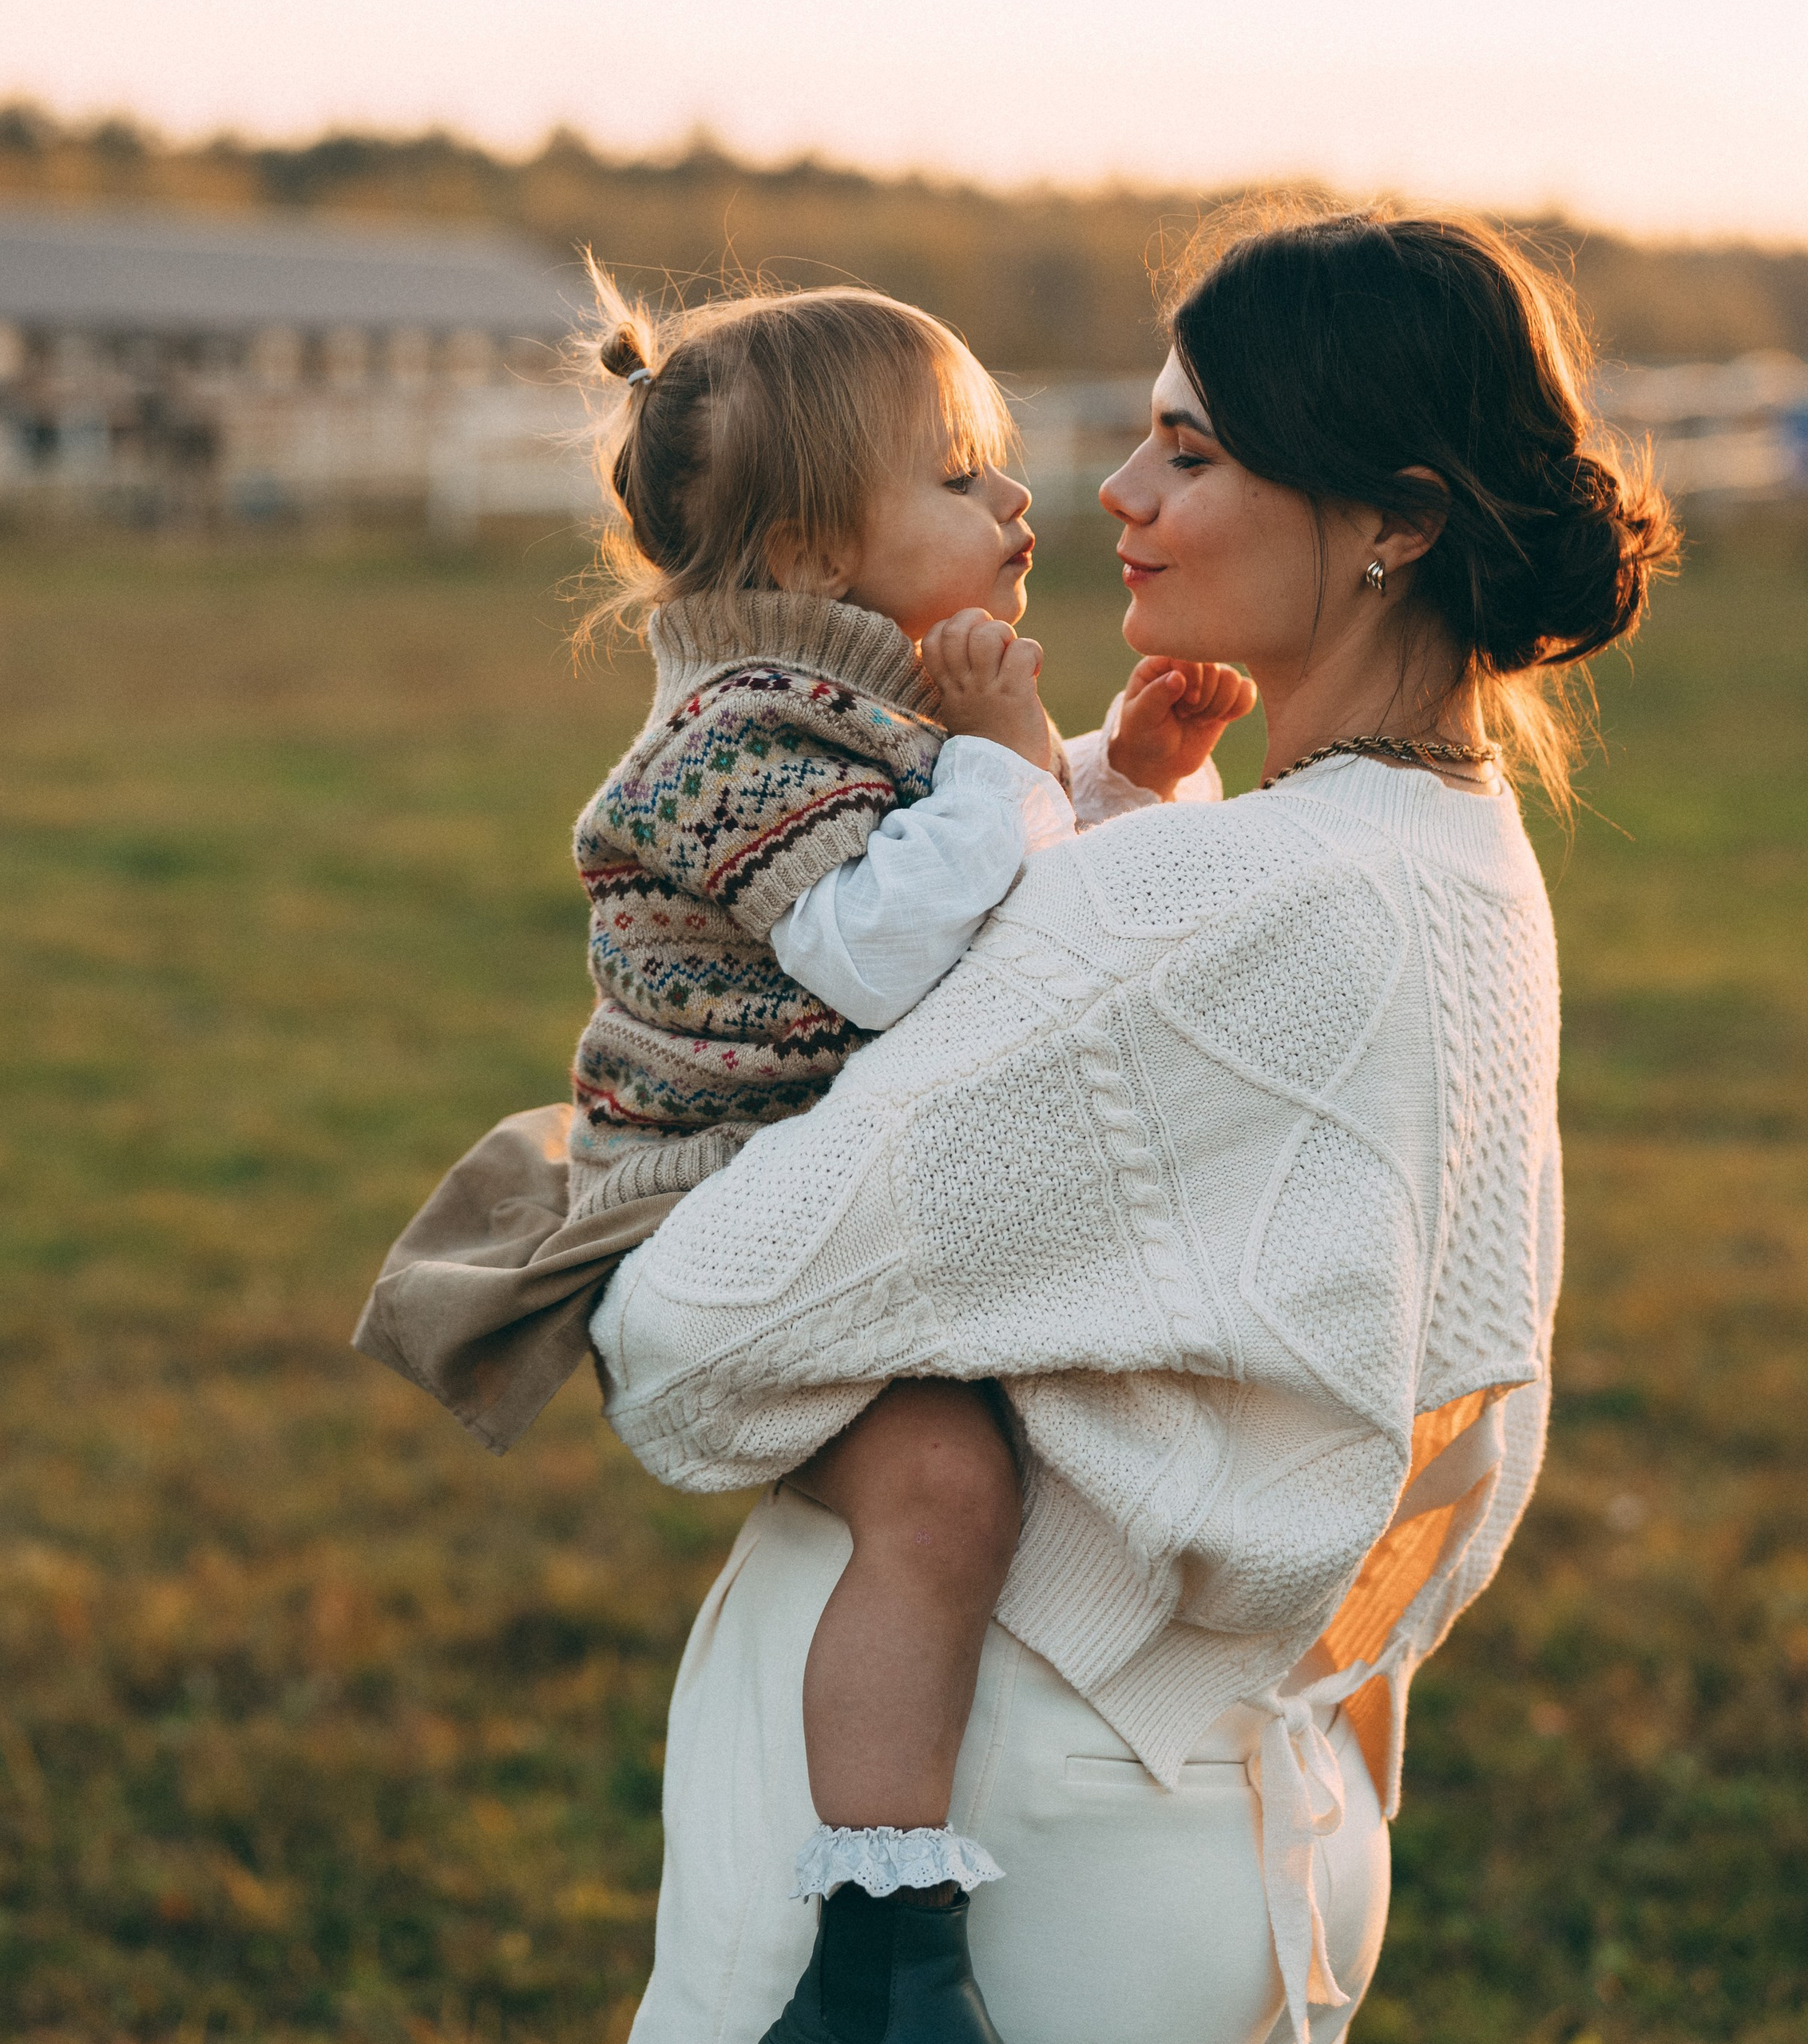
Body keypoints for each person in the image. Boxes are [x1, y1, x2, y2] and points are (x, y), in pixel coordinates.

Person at [587, 208, 1676, 2044]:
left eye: (1191, 448)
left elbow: (686, 1343)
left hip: (1010, 1832)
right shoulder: (1466, 863)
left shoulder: (1180, 906)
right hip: (1264, 1783)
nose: (1108, 489)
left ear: (1392, 518)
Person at [356, 263, 1252, 2038]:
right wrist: (1013, 755)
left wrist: (1120, 782)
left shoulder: (874, 706)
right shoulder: (728, 736)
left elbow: (993, 896)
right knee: (943, 1490)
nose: (1015, 503)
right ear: (817, 552)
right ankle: (882, 1950)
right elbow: (876, 944)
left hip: (825, 1165)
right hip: (699, 1199)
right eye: (955, 473)